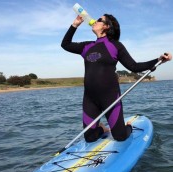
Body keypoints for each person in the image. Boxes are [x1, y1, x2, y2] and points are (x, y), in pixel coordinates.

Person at [61, 14, 172, 142]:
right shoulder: (87, 46)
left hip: (110, 98)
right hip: (90, 98)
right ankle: (103, 129)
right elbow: (65, 44)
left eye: (99, 20)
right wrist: (75, 25)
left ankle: (128, 126)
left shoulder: (115, 45)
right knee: (90, 138)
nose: (95, 21)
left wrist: (158, 60)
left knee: (120, 136)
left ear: (107, 26)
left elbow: (134, 66)